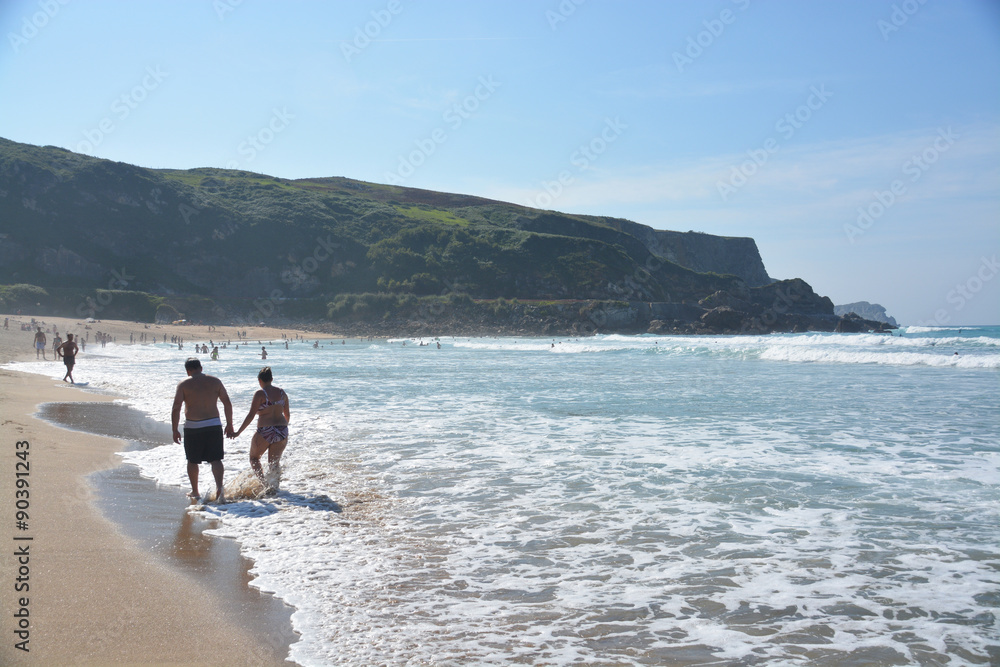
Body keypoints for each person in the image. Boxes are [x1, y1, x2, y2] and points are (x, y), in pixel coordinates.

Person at [171, 358, 234, 502]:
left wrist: (175, 429)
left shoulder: (183, 384)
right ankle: (219, 488)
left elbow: (176, 408)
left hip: (193, 426)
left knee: (192, 460)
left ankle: (195, 491)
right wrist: (229, 424)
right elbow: (227, 403)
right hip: (214, 425)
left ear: (188, 371)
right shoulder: (215, 381)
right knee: (216, 459)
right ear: (201, 368)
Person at [232, 366, 290, 482]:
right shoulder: (282, 393)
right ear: (271, 379)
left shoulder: (260, 394)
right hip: (282, 430)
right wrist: (282, 430)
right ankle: (274, 487)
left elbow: (251, 415)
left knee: (254, 458)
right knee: (274, 463)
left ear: (259, 380)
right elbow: (287, 414)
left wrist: (238, 432)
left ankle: (264, 484)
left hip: (265, 431)